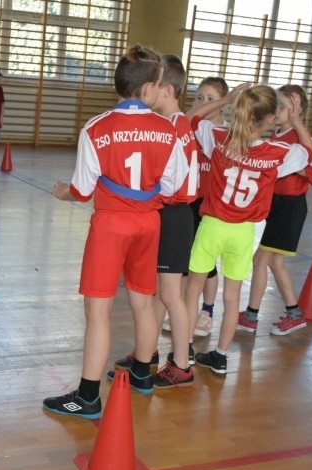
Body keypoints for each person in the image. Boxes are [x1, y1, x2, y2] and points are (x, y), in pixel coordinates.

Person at [42, 45, 189, 419]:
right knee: (143, 303)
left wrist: (62, 192)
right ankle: (142, 373)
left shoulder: (95, 128)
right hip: (149, 223)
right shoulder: (168, 131)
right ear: (149, 89)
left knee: (99, 311)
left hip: (111, 225)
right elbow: (172, 189)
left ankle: (88, 396)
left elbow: (82, 190)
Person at [184, 84, 312, 375]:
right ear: (269, 119)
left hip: (212, 225)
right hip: (244, 232)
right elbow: (311, 158)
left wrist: (227, 99)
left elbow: (190, 119)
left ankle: (185, 351)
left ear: (238, 110)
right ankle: (219, 356)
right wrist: (296, 121)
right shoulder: (277, 152)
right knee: (232, 299)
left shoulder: (219, 138)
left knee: (192, 291)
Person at [113, 54, 198, 389]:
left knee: (171, 295)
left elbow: (176, 183)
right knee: (155, 293)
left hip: (173, 215)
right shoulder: (174, 125)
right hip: (168, 214)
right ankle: (145, 354)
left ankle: (181, 364)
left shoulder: (173, 128)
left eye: (152, 85)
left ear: (166, 90)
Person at [238, 85, 312, 336]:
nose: (277, 110)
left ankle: (251, 317)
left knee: (260, 260)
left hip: (291, 207)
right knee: (276, 263)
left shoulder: (302, 138)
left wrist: (294, 165)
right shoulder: (276, 136)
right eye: (275, 105)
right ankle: (295, 314)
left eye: (284, 107)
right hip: (277, 206)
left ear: (298, 112)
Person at [188, 77, 229, 338]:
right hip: (190, 202)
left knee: (208, 263)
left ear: (224, 104)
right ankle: (187, 308)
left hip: (212, 206)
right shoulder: (190, 128)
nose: (203, 103)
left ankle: (207, 310)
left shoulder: (226, 135)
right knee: (190, 261)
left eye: (211, 99)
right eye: (199, 97)